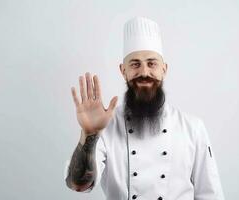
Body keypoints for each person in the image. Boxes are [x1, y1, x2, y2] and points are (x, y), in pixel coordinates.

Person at [64, 16, 225, 200]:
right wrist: (90, 134)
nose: (144, 72)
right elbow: (78, 184)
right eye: (135, 64)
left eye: (152, 63)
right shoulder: (106, 127)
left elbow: (211, 196)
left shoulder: (193, 128)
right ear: (123, 71)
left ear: (164, 69)